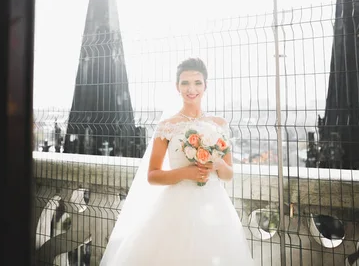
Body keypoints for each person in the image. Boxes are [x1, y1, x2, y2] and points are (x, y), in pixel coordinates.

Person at [100, 57, 254, 265]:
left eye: (197, 83)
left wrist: (216, 163)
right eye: (185, 83)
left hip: (215, 206)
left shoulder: (219, 124)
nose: (192, 89)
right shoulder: (167, 126)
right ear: (177, 87)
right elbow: (153, 175)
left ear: (206, 86)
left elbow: (228, 175)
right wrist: (186, 173)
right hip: (175, 208)